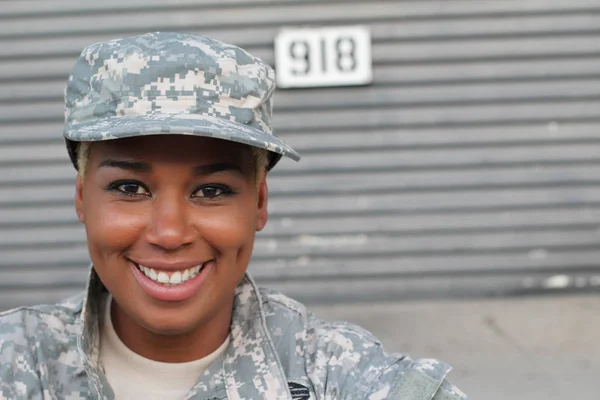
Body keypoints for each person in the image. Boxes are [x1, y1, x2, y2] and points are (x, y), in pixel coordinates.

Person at [0, 32, 468, 400]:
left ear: (259, 204)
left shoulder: (335, 373)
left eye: (212, 190)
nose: (169, 233)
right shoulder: (15, 360)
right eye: (129, 188)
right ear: (82, 198)